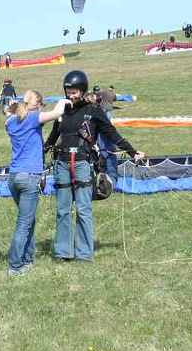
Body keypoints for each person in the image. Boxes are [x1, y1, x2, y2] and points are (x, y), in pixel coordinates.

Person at [44, 70, 145, 262]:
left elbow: (111, 133)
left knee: (83, 208)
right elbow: (53, 137)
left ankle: (83, 254)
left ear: (82, 91)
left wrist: (132, 152)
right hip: (62, 164)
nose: (70, 95)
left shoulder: (94, 111)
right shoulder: (62, 111)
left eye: (74, 92)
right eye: (68, 92)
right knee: (63, 209)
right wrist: (40, 154)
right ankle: (62, 252)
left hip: (83, 163)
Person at [4, 90, 71, 276]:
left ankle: (28, 258)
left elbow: (8, 114)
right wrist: (64, 100)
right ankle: (15, 266)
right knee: (24, 223)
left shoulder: (10, 122)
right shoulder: (33, 119)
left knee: (28, 219)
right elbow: (57, 113)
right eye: (42, 106)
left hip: (14, 177)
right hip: (29, 177)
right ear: (39, 105)